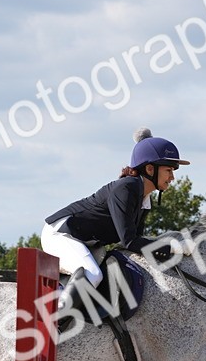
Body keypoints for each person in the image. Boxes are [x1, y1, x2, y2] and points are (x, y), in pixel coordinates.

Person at [41, 128, 192, 312]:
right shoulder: (126, 188)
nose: (172, 177)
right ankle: (52, 319)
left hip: (87, 242)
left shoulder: (144, 199)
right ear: (150, 169)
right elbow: (129, 241)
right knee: (93, 274)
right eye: (168, 170)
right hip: (61, 234)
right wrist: (173, 248)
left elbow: (137, 241)